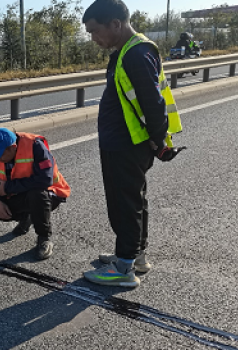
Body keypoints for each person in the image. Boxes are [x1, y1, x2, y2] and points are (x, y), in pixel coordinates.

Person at [82, 0, 185, 287]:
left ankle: (123, 268)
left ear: (115, 23)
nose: (93, 38)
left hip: (127, 144)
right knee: (134, 200)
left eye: (94, 31)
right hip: (126, 141)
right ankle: (134, 256)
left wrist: (157, 140)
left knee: (124, 204)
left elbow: (153, 104)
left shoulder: (136, 54)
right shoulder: (126, 51)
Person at [0, 127, 71, 260]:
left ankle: (44, 238)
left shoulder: (35, 146)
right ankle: (26, 217)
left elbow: (45, 179)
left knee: (36, 195)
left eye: (0, 155)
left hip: (50, 193)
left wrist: (8, 187)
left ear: (12, 147)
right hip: (19, 192)